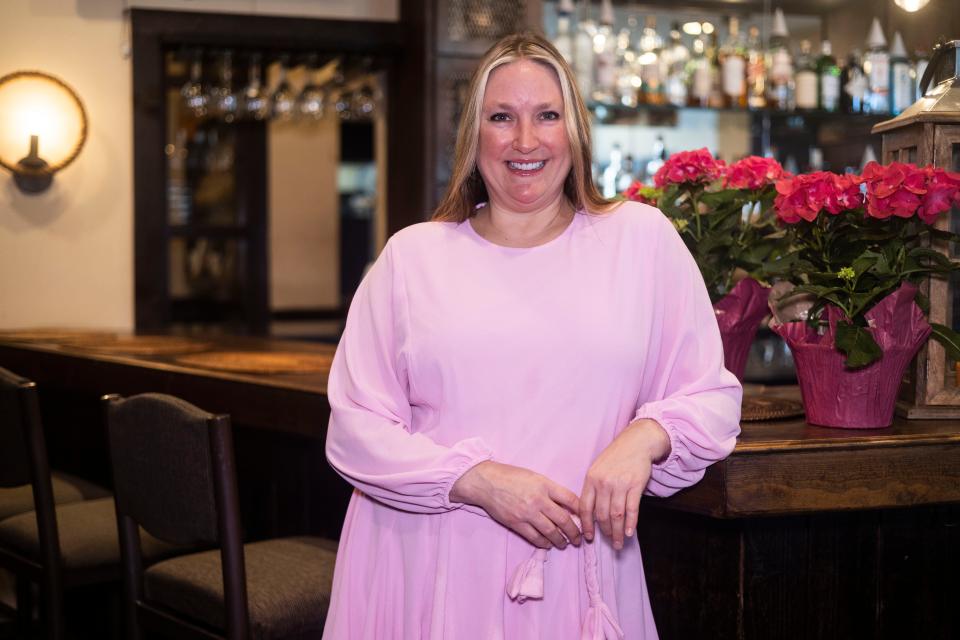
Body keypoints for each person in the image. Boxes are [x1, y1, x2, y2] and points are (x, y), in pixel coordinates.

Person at [322, 31, 741, 639]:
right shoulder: (412, 258)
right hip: (429, 561)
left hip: (578, 565)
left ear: (575, 131)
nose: (525, 140)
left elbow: (712, 397)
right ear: (473, 138)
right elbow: (354, 428)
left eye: (547, 115)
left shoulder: (641, 240)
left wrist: (644, 437)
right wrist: (481, 481)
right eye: (501, 117)